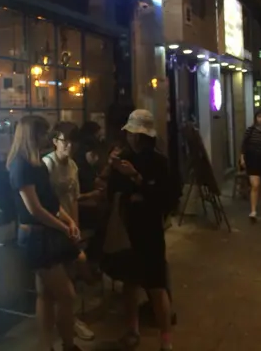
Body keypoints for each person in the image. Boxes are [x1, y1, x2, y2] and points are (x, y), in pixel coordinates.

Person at [7, 116, 82, 351]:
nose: (46, 138)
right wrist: (64, 227)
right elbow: (35, 209)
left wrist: (69, 220)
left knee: (46, 295)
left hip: (44, 235)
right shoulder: (21, 166)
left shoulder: (36, 162)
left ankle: (46, 345)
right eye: (42, 133)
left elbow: (51, 202)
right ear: (32, 135)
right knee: (66, 295)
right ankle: (68, 345)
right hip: (35, 237)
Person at [101, 110, 175, 351]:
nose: (131, 137)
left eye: (135, 134)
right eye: (130, 133)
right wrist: (109, 167)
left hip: (150, 230)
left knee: (156, 286)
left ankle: (166, 339)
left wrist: (136, 178)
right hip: (127, 229)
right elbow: (111, 190)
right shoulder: (123, 157)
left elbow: (165, 198)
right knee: (130, 283)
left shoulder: (158, 161)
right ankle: (132, 331)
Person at [43, 122, 95, 342]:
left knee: (71, 273)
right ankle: (62, 326)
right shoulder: (47, 164)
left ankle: (69, 321)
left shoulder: (73, 165)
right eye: (65, 141)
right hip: (52, 227)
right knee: (55, 287)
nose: (70, 146)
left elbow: (74, 199)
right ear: (55, 141)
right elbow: (45, 203)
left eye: (74, 142)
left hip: (69, 227)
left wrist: (76, 227)